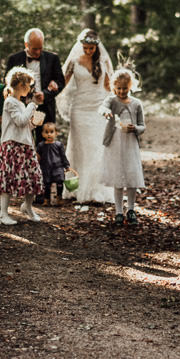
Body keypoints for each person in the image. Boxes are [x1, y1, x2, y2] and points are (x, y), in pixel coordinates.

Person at [57, 28, 114, 205]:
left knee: (97, 147)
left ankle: (96, 190)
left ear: (96, 47)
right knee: (79, 148)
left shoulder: (103, 60)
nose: (88, 51)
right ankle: (76, 188)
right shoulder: (74, 61)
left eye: (91, 48)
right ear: (81, 46)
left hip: (98, 108)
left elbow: (109, 85)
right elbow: (62, 84)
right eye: (85, 47)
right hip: (79, 109)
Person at [0, 67, 45, 224]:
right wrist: (32, 106)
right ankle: (3, 214)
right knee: (9, 178)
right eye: (29, 85)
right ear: (22, 84)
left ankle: (27, 207)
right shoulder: (10, 102)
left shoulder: (21, 104)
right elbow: (20, 121)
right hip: (12, 145)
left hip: (26, 145)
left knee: (33, 176)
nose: (30, 89)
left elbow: (24, 125)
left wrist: (34, 123)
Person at [100, 68, 146, 225]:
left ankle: (131, 209)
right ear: (114, 87)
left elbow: (143, 126)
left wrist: (136, 129)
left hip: (130, 143)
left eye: (124, 88)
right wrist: (106, 113)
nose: (121, 91)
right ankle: (119, 211)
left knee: (131, 175)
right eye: (118, 88)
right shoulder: (112, 101)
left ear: (130, 86)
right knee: (118, 176)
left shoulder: (136, 104)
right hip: (115, 142)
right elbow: (103, 107)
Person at [5, 28, 66, 141]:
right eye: (34, 49)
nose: (38, 52)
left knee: (45, 144)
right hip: (20, 109)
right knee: (22, 141)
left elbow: (61, 82)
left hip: (44, 108)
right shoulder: (14, 59)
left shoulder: (52, 58)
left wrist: (46, 94)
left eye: (40, 48)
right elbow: (8, 84)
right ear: (26, 44)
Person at [37, 121, 71, 205]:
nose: (49, 134)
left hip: (58, 167)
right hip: (46, 167)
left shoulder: (59, 145)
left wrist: (66, 165)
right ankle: (46, 200)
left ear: (56, 133)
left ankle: (59, 198)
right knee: (47, 184)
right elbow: (38, 157)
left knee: (60, 183)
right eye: (46, 132)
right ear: (42, 134)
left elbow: (63, 156)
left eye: (51, 132)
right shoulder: (41, 145)